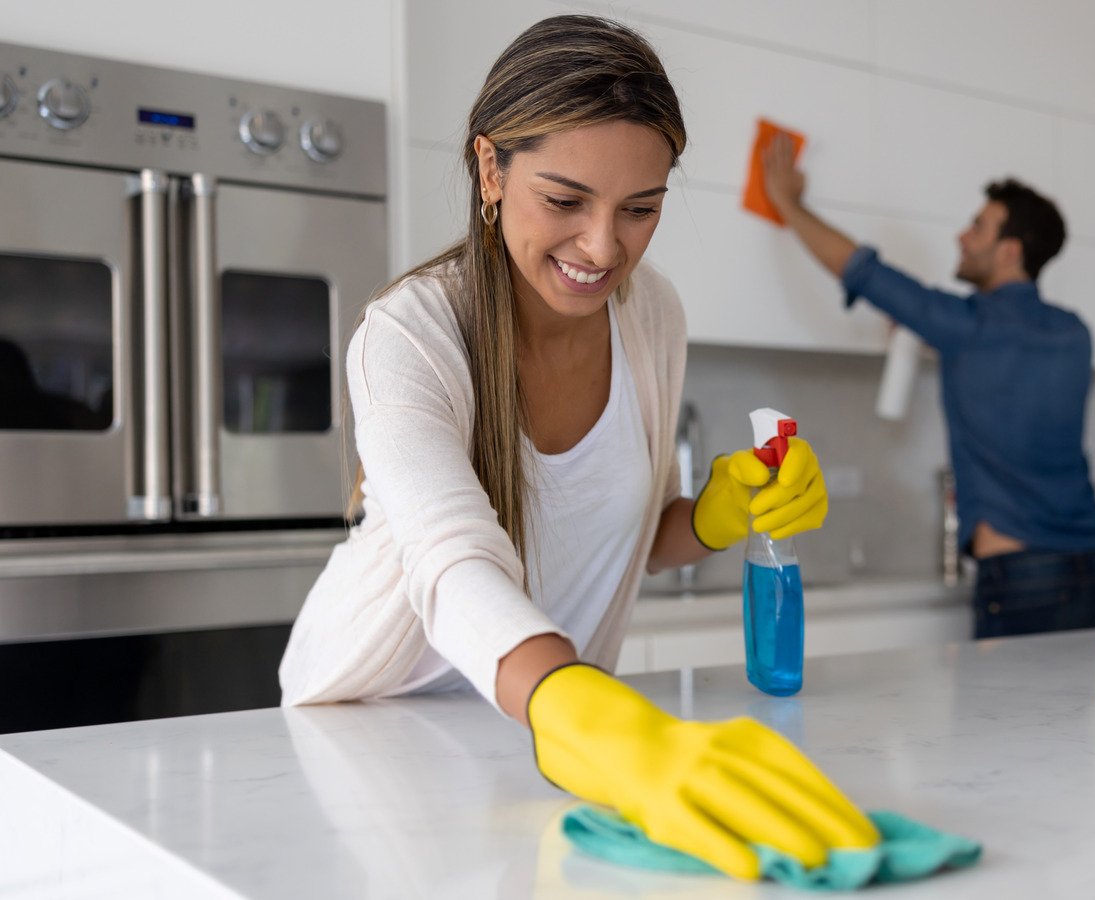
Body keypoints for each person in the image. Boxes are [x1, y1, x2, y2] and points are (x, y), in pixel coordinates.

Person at [278, 16, 876, 880]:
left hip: (547, 733)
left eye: (641, 209)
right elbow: (454, 563)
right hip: (369, 737)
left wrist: (715, 515)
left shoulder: (652, 315)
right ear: (491, 169)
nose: (603, 247)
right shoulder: (409, 335)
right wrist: (602, 721)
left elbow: (620, 541)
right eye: (565, 201)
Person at [763, 137, 1095, 639]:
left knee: (1010, 699)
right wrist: (934, 335)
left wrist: (787, 202)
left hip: (1023, 578)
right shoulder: (1074, 334)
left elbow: (861, 270)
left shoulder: (967, 325)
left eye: (978, 227)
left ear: (1010, 251)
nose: (962, 237)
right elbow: (1008, 371)